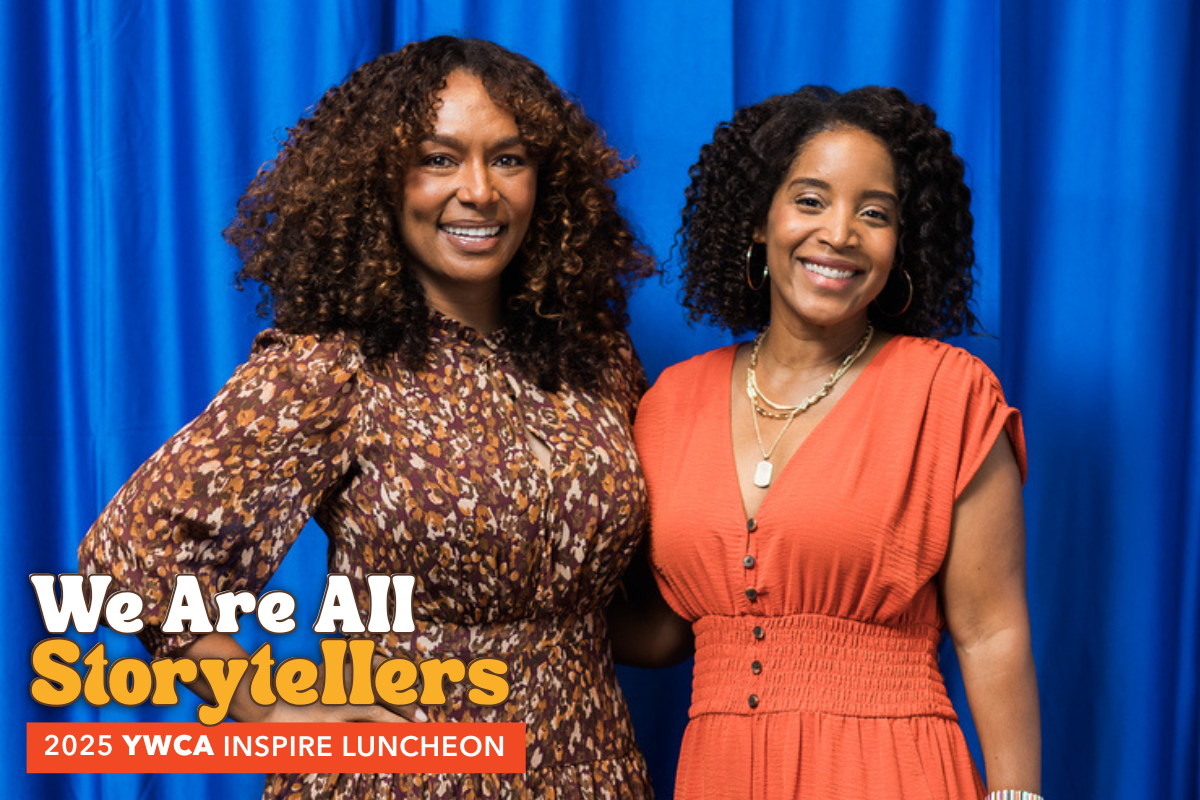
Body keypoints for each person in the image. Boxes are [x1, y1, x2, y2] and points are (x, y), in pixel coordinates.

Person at [79, 36, 656, 799]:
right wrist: (269, 707)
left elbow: (644, 613)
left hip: (591, 769)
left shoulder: (600, 364)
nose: (480, 190)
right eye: (439, 158)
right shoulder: (332, 367)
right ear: (379, 182)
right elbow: (130, 556)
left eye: (509, 159)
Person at [614, 86, 1041, 798]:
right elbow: (666, 632)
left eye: (874, 214)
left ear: (901, 244)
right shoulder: (668, 404)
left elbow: (991, 635)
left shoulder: (949, 395)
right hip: (719, 771)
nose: (840, 233)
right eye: (810, 201)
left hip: (890, 768)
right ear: (758, 222)